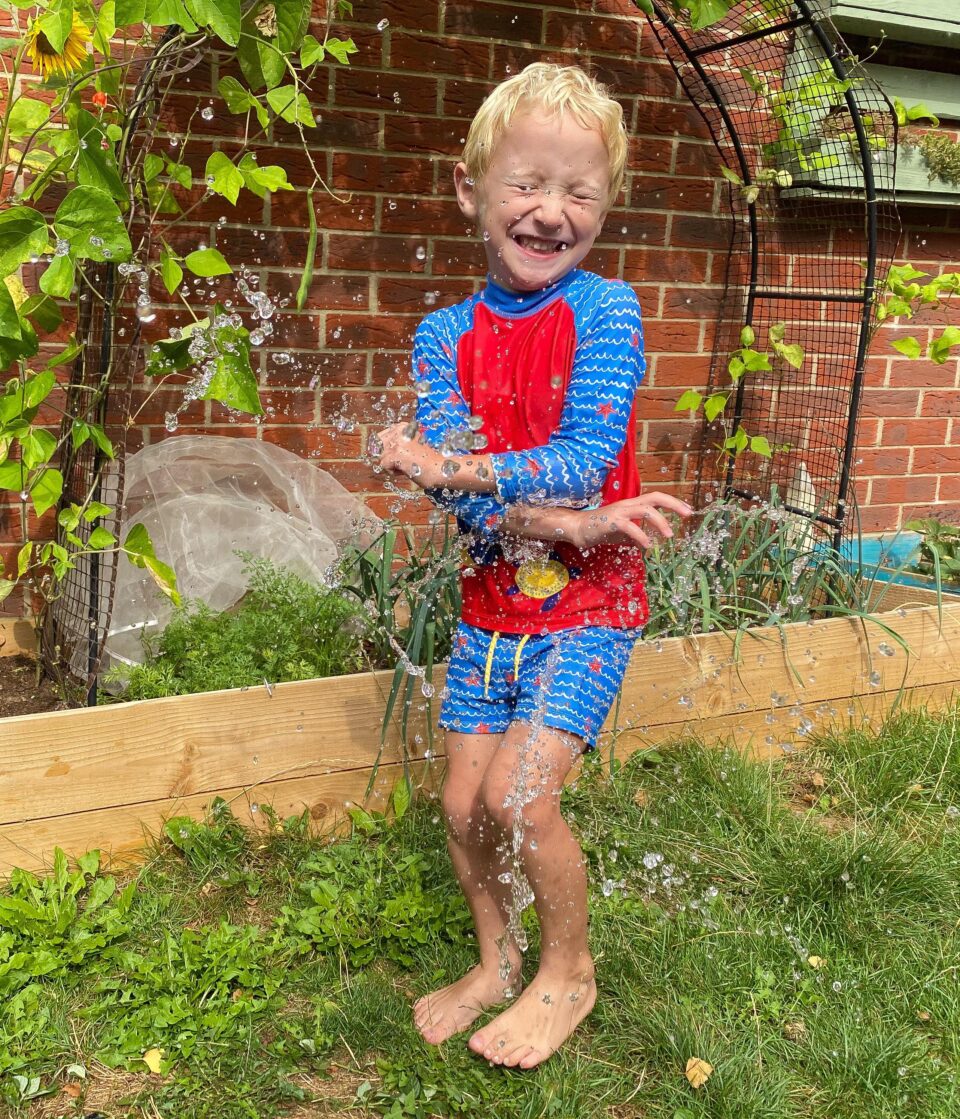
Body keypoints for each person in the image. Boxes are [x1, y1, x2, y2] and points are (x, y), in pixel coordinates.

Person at [371, 62, 691, 1070]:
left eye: (579, 193)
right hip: (490, 604)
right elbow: (474, 503)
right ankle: (496, 960)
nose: (551, 212)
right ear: (471, 190)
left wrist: (460, 470)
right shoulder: (441, 338)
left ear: (606, 205)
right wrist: (568, 520)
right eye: (526, 185)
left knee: (520, 798)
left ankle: (569, 973)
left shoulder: (606, 313)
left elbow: (583, 459)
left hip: (593, 609)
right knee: (462, 802)